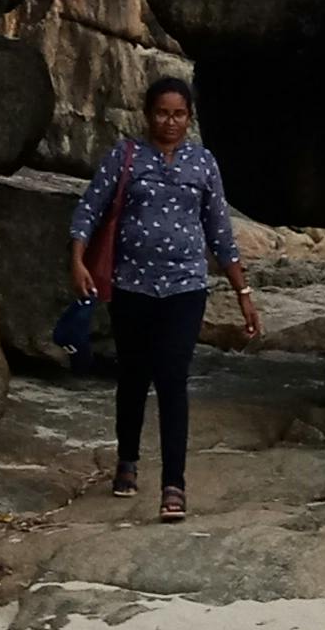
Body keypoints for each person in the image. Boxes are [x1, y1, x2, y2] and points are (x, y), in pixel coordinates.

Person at [68, 76, 256, 517]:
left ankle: (174, 485)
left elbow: (221, 232)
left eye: (179, 114)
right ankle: (127, 460)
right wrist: (76, 261)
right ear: (148, 114)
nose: (170, 122)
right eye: (162, 113)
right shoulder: (125, 156)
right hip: (132, 286)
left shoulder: (203, 163)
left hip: (186, 289)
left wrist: (243, 292)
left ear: (190, 118)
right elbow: (89, 208)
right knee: (133, 377)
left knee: (172, 378)